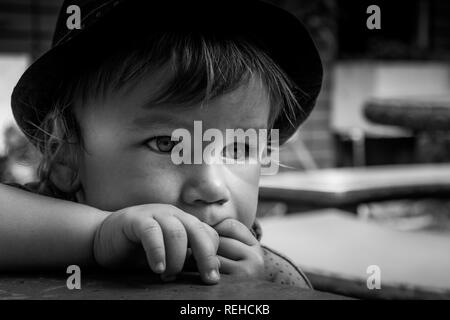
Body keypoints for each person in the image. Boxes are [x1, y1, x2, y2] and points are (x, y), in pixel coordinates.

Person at [0, 0, 322, 288]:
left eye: (238, 149)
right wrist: (97, 235)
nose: (211, 187)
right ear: (64, 154)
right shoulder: (31, 226)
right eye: (167, 144)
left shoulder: (277, 276)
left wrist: (249, 292)